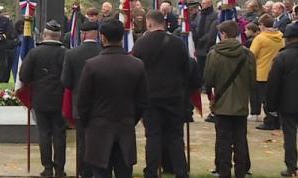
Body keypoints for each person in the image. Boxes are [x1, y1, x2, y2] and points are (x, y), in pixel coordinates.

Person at [77, 18, 148, 178]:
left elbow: (83, 102)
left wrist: (89, 122)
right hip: (125, 126)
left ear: (102, 37)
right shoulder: (136, 65)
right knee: (124, 173)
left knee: (101, 174)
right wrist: (131, 118)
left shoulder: (92, 65)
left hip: (99, 129)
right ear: (122, 37)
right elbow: (142, 101)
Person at [132, 10, 190, 178]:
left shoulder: (141, 44)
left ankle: (151, 172)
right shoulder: (178, 43)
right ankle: (181, 171)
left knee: (153, 136)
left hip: (150, 96)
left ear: (149, 23)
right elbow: (186, 69)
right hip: (174, 95)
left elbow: (136, 70)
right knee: (175, 136)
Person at [204, 20, 256, 178]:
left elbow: (209, 80)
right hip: (240, 103)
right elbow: (252, 80)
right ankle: (241, 171)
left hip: (221, 103)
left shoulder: (214, 54)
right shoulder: (248, 54)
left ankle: (223, 171)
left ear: (223, 34)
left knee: (223, 140)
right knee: (240, 139)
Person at [19, 20, 67, 178]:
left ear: (45, 35)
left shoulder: (34, 53)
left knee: (44, 133)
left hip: (40, 98)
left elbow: (23, 76)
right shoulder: (66, 53)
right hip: (60, 98)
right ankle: (59, 169)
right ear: (58, 36)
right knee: (59, 134)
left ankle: (47, 168)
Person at [61, 20, 101, 178]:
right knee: (101, 141)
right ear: (97, 34)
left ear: (82, 34)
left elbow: (66, 82)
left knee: (82, 142)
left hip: (80, 104)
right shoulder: (103, 51)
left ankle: (83, 172)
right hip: (102, 106)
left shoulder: (72, 54)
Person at [266, 22, 298, 177]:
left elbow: (273, 84)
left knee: (290, 136)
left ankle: (292, 167)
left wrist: (270, 106)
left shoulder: (282, 57)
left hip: (288, 104)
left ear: (288, 39)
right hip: (289, 103)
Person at [251, 13, 284, 130]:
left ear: (262, 25)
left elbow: (252, 55)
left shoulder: (260, 38)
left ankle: (268, 121)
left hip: (262, 72)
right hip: (278, 71)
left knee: (265, 99)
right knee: (277, 98)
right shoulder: (281, 36)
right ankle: (277, 121)